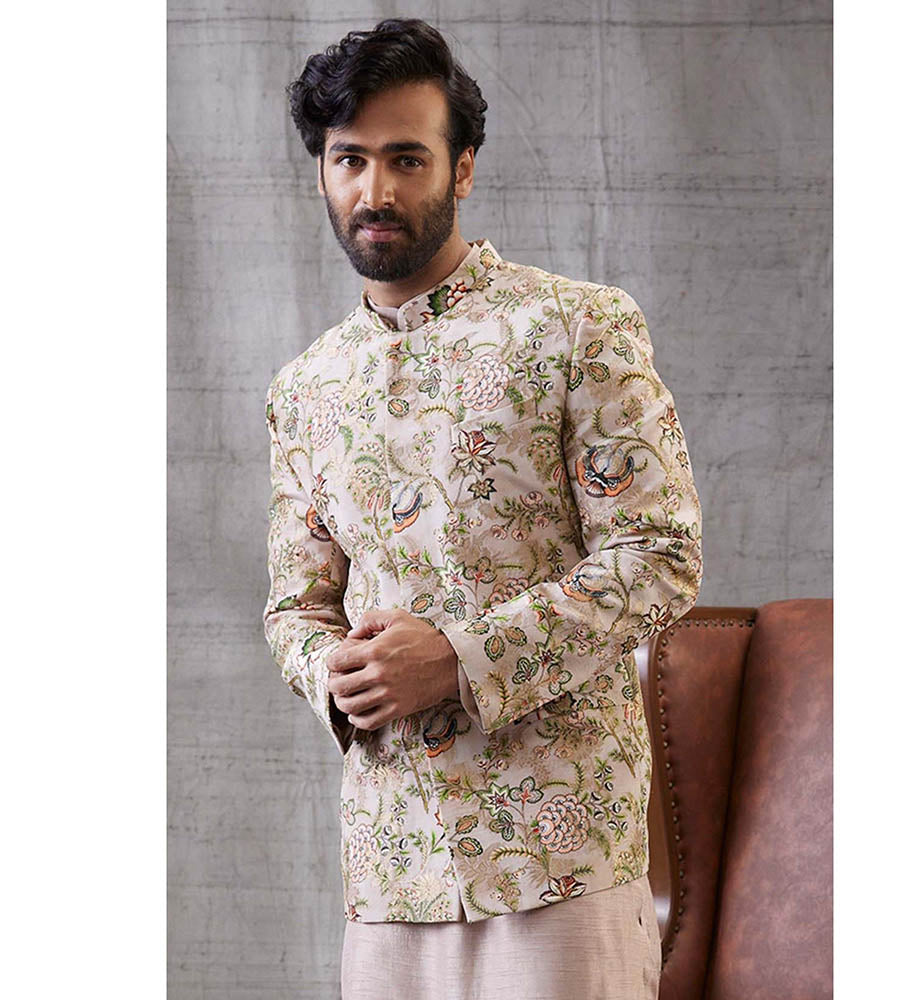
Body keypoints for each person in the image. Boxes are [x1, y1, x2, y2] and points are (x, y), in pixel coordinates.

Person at [264, 17, 703, 1000]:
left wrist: (460, 658)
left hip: (561, 855)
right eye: (349, 160)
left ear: (461, 169)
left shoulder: (575, 327)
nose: (375, 190)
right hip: (389, 866)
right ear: (323, 173)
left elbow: (657, 557)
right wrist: (336, 671)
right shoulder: (306, 388)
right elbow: (296, 605)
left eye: (406, 158)